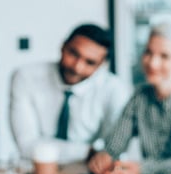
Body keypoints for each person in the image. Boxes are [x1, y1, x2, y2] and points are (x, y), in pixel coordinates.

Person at [87, 23, 171, 174]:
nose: (152, 63)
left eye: (164, 56)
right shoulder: (139, 96)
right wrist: (105, 156)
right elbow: (115, 145)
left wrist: (142, 169)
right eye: (148, 52)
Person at [9, 23, 129, 164]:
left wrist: (101, 154)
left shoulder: (114, 89)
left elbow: (114, 148)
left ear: (101, 65)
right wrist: (89, 152)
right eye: (73, 54)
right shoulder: (25, 76)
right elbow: (26, 145)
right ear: (62, 46)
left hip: (89, 173)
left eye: (90, 62)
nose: (77, 67)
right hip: (37, 169)